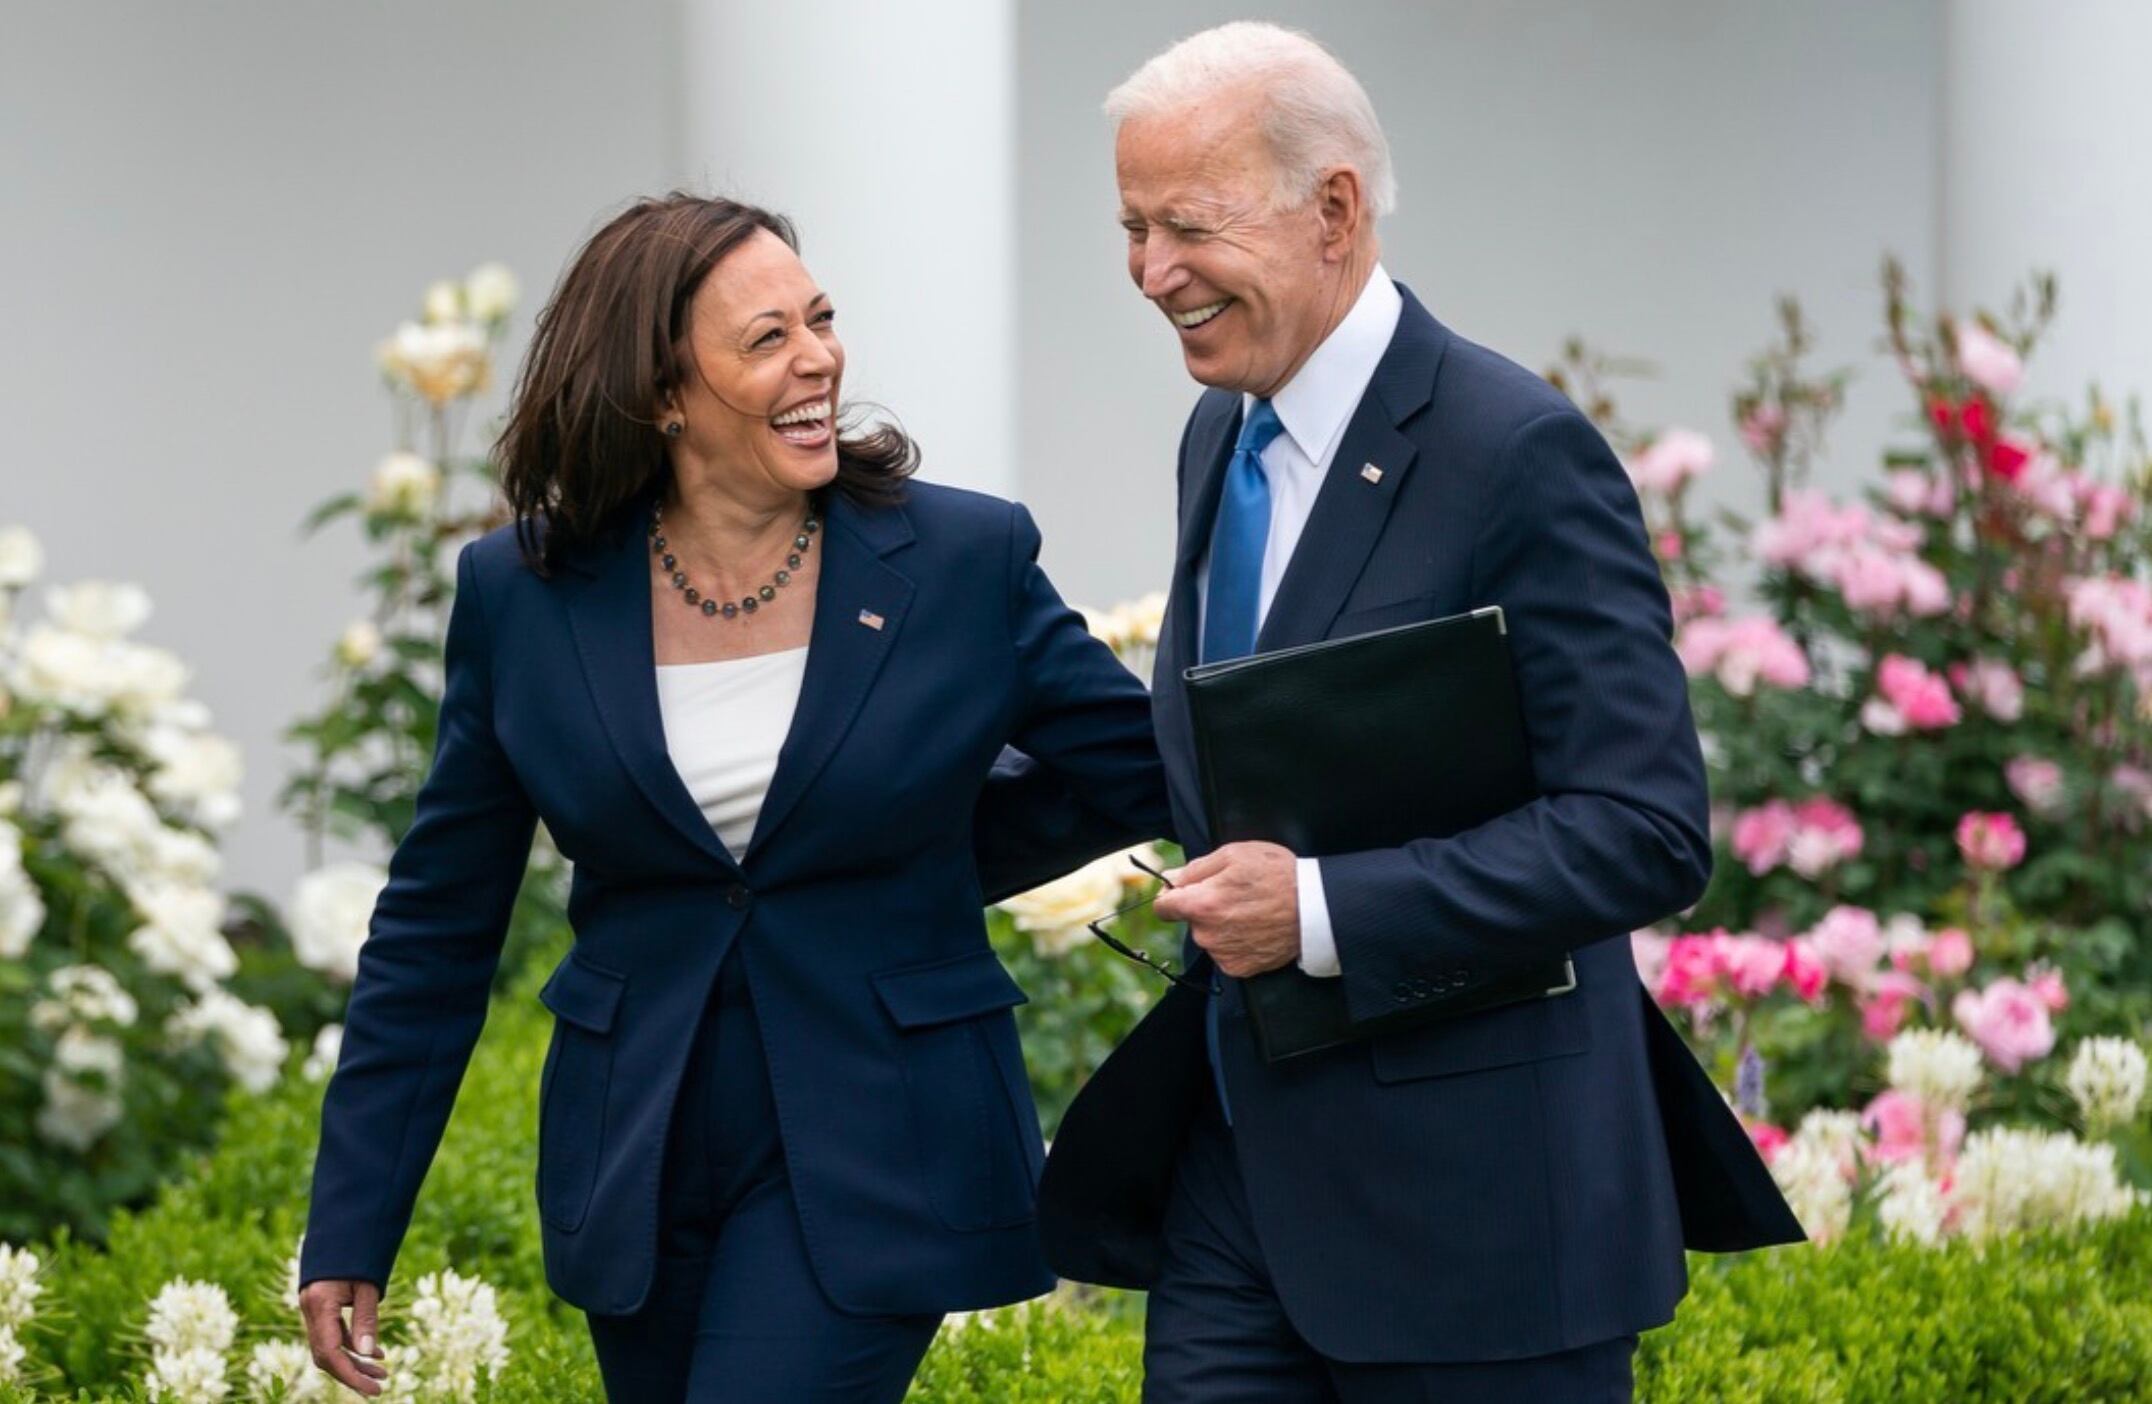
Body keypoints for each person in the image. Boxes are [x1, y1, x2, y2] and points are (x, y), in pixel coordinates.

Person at [294, 193, 1170, 1402]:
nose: (818, 358)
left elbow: (1142, 766)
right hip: (636, 1157)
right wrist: (350, 1226)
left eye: (819, 320)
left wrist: (928, 860)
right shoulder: (522, 593)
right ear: (662, 390)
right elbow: (439, 921)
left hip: (879, 1140)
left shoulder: (961, 561)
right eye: (766, 339)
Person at [1037, 23, 1802, 1403]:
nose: (1153, 273)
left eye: (1187, 225)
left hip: (1486, 1225)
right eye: (1132, 227)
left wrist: (1322, 911)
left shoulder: (1517, 453)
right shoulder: (1221, 432)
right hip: (1238, 1198)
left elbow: (1641, 829)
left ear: (1333, 210)